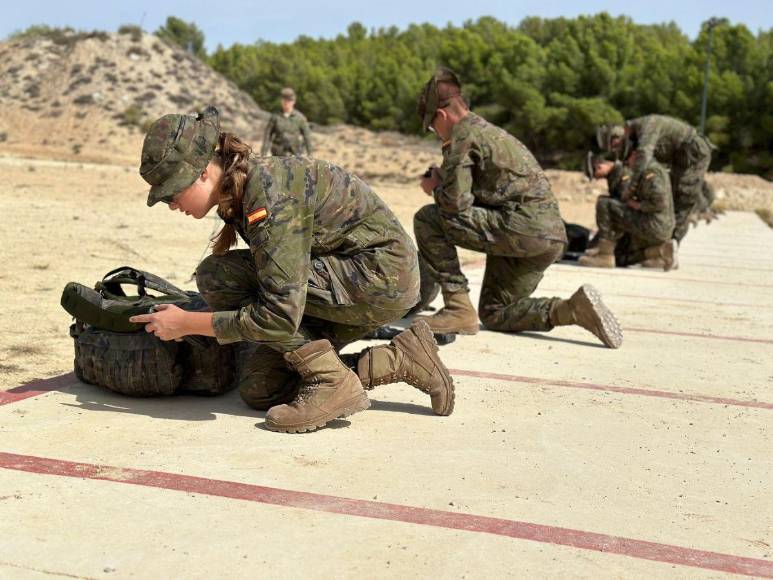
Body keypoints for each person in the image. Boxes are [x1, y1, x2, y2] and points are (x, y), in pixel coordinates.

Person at [130, 106, 454, 433]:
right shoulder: (240, 189)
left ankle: (331, 380)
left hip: (380, 280)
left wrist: (188, 323)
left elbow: (280, 315)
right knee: (261, 388)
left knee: (217, 276)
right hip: (350, 281)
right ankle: (400, 359)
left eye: (172, 192)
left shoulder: (266, 195)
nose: (172, 204)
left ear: (202, 172)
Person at [413, 68, 623, 349]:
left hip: (518, 229)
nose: (435, 134)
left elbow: (455, 206)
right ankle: (571, 309)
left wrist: (435, 188)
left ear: (441, 116)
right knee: (496, 312)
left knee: (428, 219)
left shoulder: (463, 138)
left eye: (432, 127)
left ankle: (457, 308)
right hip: (548, 237)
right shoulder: (491, 133)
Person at [596, 115, 716, 242]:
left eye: (614, 145)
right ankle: (668, 242)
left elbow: (644, 156)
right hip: (679, 159)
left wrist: (631, 189)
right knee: (674, 197)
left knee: (683, 198)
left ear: (621, 134)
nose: (616, 150)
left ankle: (672, 244)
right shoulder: (636, 136)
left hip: (693, 154)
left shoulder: (647, 126)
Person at [578, 150, 677, 271]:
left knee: (603, 203)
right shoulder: (616, 175)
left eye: (594, 173)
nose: (596, 178)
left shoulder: (623, 174)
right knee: (619, 258)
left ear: (600, 166)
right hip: (651, 225)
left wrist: (601, 245)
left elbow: (618, 213)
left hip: (650, 225)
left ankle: (604, 256)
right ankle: (659, 252)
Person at [260, 87, 314, 157]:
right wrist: (263, 153)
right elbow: (267, 135)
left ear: (293, 101)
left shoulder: (300, 118)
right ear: (281, 101)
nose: (286, 103)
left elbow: (307, 137)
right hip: (277, 155)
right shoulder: (275, 117)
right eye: (284, 100)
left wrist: (310, 155)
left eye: (289, 100)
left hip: (295, 155)